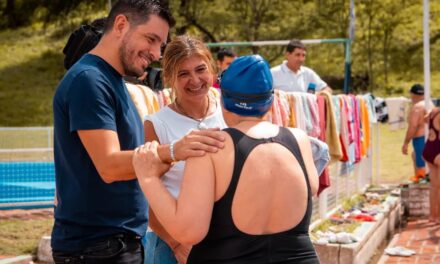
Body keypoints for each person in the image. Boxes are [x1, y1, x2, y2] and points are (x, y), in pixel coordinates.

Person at [51, 1, 224, 263]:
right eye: (151, 39)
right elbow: (109, 165)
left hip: (117, 243)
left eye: (160, 45)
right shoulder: (89, 81)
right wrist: (175, 150)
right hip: (97, 247)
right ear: (121, 25)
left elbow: (138, 166)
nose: (156, 53)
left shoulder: (113, 82)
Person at [134, 55, 320, 263]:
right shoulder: (300, 140)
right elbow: (308, 191)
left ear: (223, 99)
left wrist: (148, 178)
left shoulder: (210, 147)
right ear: (271, 100)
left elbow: (188, 233)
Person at [143, 35, 227, 264]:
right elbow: (144, 192)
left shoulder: (229, 110)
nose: (195, 80)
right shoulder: (156, 124)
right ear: (169, 77)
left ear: (211, 68)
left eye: (200, 69)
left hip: (224, 239)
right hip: (173, 245)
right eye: (183, 74)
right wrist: (175, 243)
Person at [401, 84, 432, 182]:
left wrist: (406, 143)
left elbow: (413, 126)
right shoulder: (430, 104)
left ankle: (423, 188)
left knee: (422, 166)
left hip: (420, 139)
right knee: (415, 156)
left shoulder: (417, 107)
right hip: (431, 138)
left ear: (413, 95)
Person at [423, 106, 440, 223]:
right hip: (438, 152)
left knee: (434, 186)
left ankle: (432, 216)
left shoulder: (434, 111)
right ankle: (438, 217)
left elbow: (425, 119)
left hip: (429, 149)